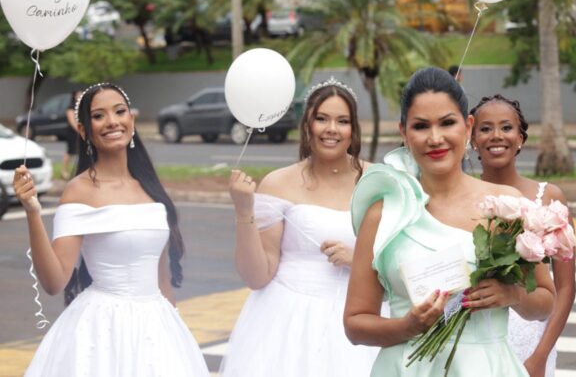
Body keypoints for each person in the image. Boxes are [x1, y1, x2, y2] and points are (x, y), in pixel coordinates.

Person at [344, 67, 555, 376]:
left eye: (447, 123)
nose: (435, 138)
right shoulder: (384, 213)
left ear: (468, 126)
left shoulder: (506, 207)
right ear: (403, 132)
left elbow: (545, 301)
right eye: (420, 126)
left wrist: (514, 295)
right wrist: (407, 326)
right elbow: (355, 323)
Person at [13, 83, 208, 377]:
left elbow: (161, 281)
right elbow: (54, 281)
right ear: (84, 130)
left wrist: (175, 335)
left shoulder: (150, 187)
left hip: (157, 328)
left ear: (132, 119)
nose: (113, 122)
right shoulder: (79, 191)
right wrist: (32, 213)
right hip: (101, 331)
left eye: (119, 111)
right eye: (99, 116)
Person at [221, 77, 378, 376]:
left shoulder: (378, 180)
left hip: (357, 317)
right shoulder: (278, 183)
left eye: (342, 121)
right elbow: (257, 276)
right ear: (307, 124)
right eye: (322, 119)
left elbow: (399, 261)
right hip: (286, 322)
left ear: (353, 129)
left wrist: (359, 260)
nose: (332, 129)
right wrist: (244, 211)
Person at [470, 94, 576, 377]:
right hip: (477, 332)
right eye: (485, 128)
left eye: (506, 127)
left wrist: (540, 354)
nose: (496, 136)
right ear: (471, 139)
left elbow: (565, 288)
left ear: (521, 138)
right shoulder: (461, 197)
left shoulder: (549, 198)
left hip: (531, 335)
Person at [61, 90, 81, 179]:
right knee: (70, 151)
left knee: (79, 152)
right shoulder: (71, 107)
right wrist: (80, 130)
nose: (80, 96)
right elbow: (72, 121)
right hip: (73, 132)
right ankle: (64, 170)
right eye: (78, 94)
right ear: (74, 96)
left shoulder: (81, 107)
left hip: (80, 131)